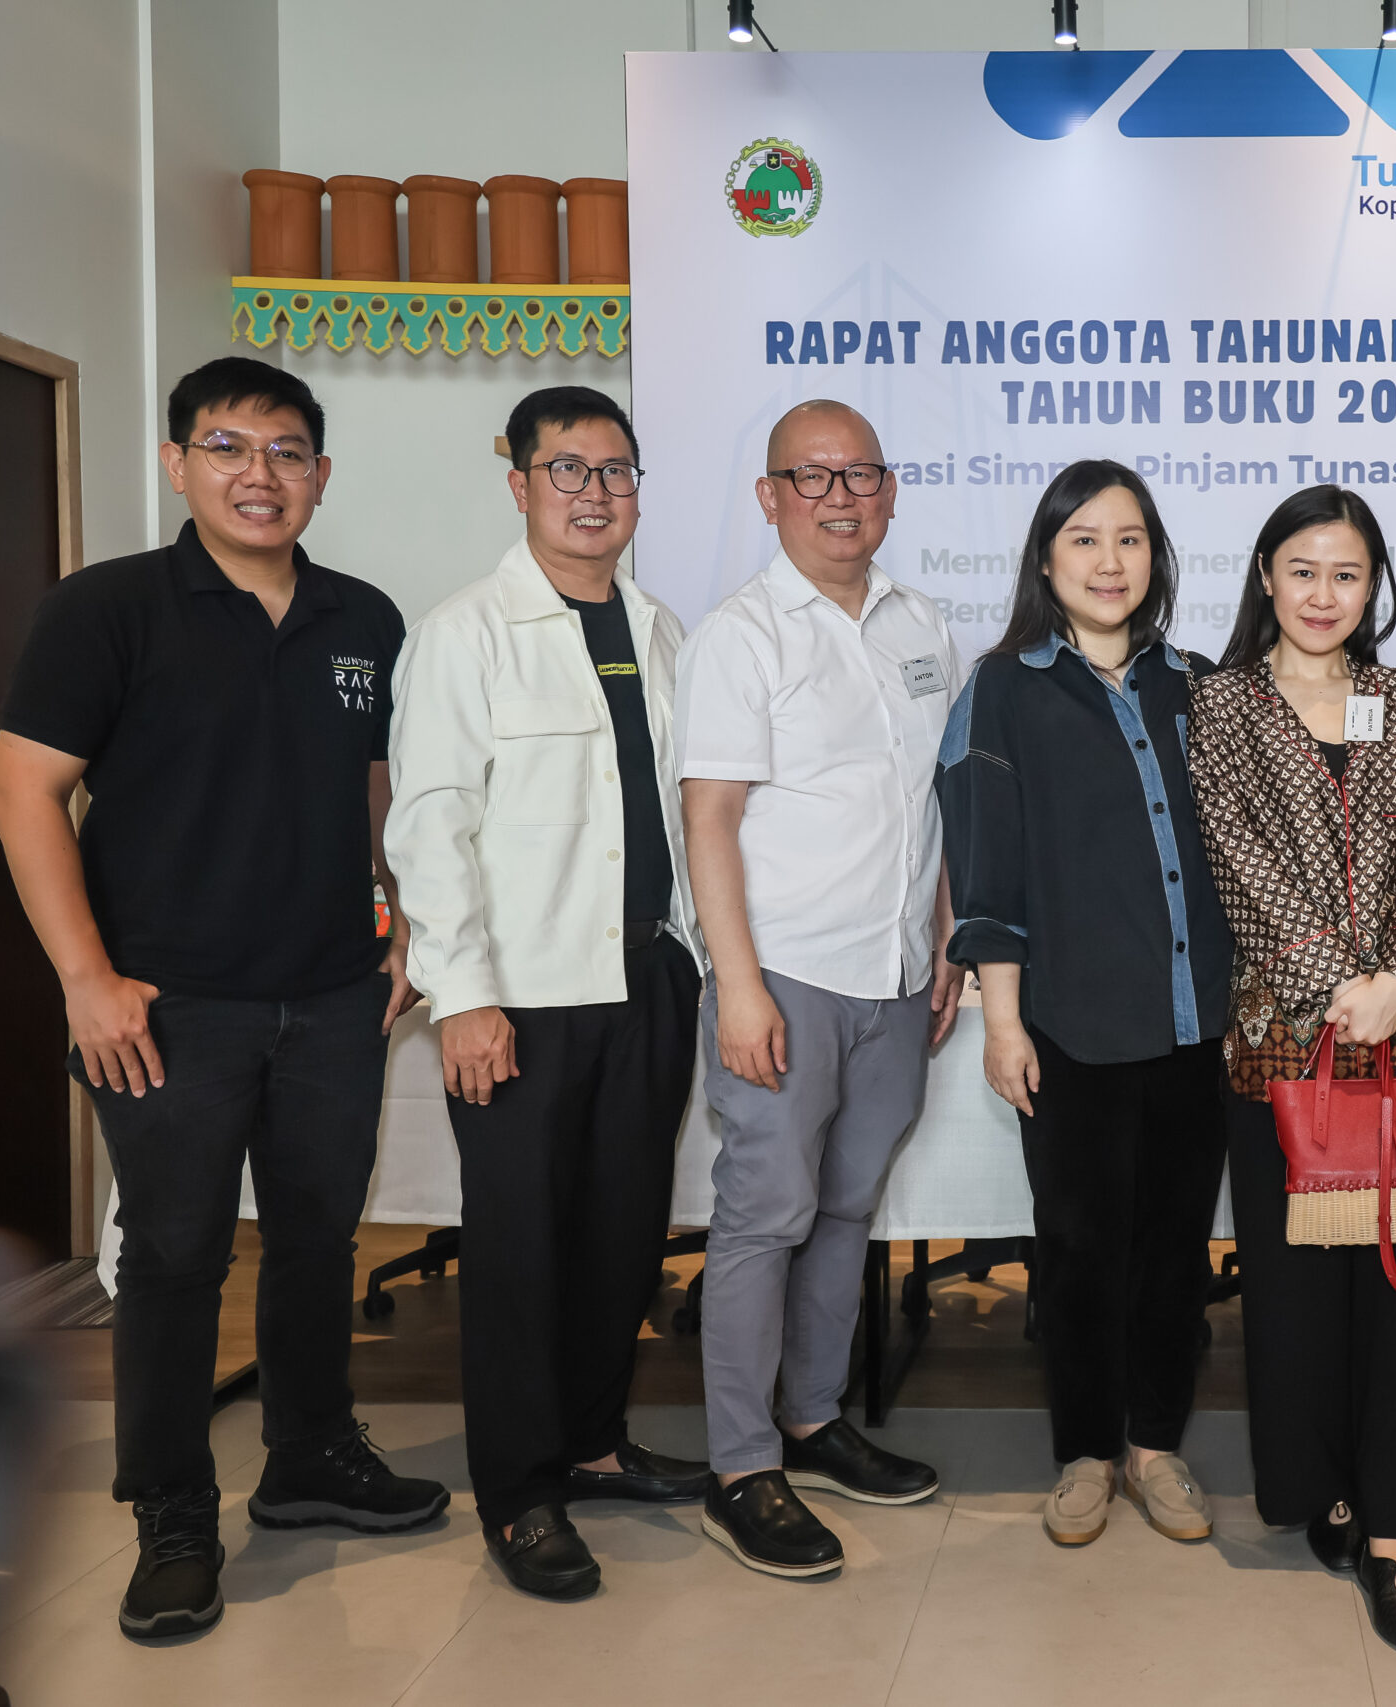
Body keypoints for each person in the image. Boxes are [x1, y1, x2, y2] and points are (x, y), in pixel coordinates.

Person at [0, 357, 447, 1641]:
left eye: (287, 451)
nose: (261, 474)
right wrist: (86, 981)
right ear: (177, 463)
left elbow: (375, 789)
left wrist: (402, 920)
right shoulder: (107, 609)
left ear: (321, 475)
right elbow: (24, 791)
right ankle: (174, 1511)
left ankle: (310, 1456)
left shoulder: (364, 617)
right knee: (177, 1258)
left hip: (334, 996)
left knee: (316, 1239)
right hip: (165, 1006)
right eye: (229, 447)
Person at [385, 385, 711, 1602]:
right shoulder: (465, 632)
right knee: (522, 1248)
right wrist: (462, 994)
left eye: (616, 471)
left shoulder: (660, 629)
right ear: (518, 483)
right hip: (520, 995)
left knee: (623, 1232)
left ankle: (592, 1441)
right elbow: (429, 826)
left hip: (648, 976)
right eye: (567, 468)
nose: (594, 492)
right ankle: (521, 1493)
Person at [1188, 485, 1396, 1655]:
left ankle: (1395, 1530)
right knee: (1299, 1288)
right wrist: (1333, 986)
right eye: (1302, 570)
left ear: (1376, 588)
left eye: (1346, 574)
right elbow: (1236, 859)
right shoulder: (1221, 705)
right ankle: (1328, 1491)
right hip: (1283, 1037)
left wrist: (1394, 980)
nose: (1323, 594)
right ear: (1266, 575)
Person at [678, 399, 965, 1579]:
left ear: (889, 493)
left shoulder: (921, 623)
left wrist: (942, 940)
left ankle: (811, 1420)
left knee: (846, 1209)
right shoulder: (740, 636)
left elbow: (929, 802)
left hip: (896, 975)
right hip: (785, 976)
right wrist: (738, 985)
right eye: (813, 476)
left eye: (861, 476)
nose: (840, 497)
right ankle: (741, 1467)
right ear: (770, 496)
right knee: (765, 1216)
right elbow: (709, 819)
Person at [936, 461, 1233, 1547]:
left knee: (1174, 1250)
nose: (1111, 562)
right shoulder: (1004, 688)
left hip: (1198, 1021)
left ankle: (1155, 1445)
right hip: (1071, 1026)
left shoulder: (1197, 683)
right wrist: (1004, 1022)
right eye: (1086, 540)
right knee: (1076, 1249)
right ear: (1046, 558)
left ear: (1155, 557)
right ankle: (1086, 1453)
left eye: (1130, 539)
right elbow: (988, 871)